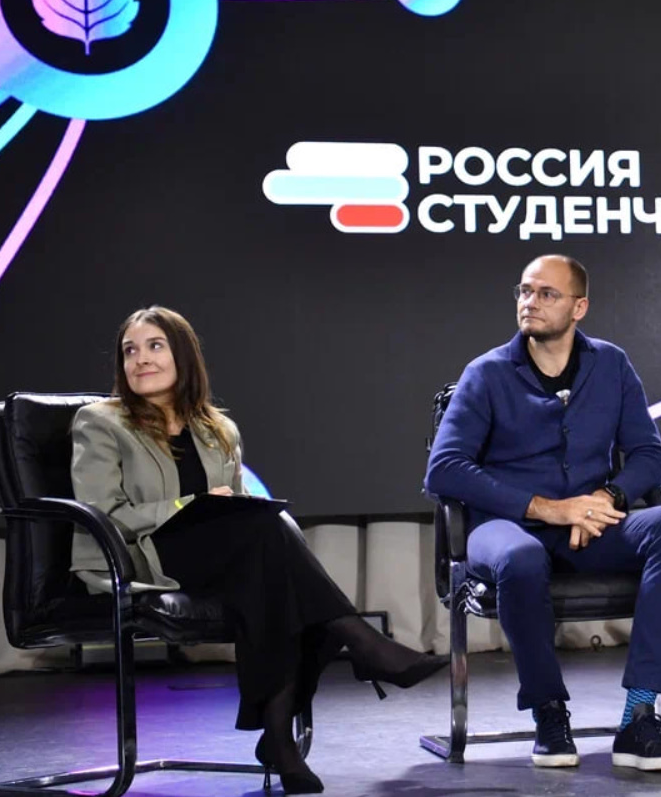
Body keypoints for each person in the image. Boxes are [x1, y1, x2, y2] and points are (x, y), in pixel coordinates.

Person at [70, 306, 445, 794]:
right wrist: (188, 504)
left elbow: (239, 509)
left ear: (183, 355)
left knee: (269, 566)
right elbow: (104, 511)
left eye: (155, 346)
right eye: (130, 351)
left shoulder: (217, 429)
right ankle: (357, 647)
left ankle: (282, 736)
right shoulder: (100, 422)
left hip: (224, 559)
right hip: (144, 555)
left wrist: (224, 508)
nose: (140, 359)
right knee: (270, 551)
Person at [425, 254, 661, 771]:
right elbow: (445, 469)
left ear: (579, 307)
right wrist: (546, 509)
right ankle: (549, 713)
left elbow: (650, 455)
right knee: (521, 558)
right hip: (504, 527)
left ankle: (639, 718)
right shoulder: (485, 373)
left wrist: (608, 498)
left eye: (547, 294)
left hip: (589, 528)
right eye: (525, 291)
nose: (530, 302)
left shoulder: (611, 365)